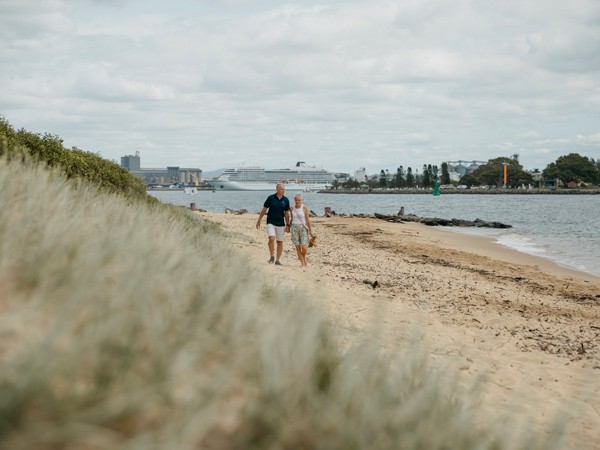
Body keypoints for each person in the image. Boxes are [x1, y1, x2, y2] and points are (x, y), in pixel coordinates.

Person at [256, 184, 290, 266]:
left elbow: (286, 213)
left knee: (280, 242)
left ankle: (277, 260)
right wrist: (259, 220)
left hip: (281, 223)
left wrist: (288, 224)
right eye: (282, 189)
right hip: (270, 221)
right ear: (277, 189)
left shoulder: (286, 200)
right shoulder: (271, 198)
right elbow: (264, 209)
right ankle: (272, 255)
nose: (283, 191)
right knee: (271, 238)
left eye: (284, 189)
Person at [289, 192, 315, 267]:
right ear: (294, 199)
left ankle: (304, 258)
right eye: (296, 200)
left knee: (304, 247)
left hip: (303, 228)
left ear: (301, 200)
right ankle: (303, 263)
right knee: (297, 247)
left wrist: (311, 232)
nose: (297, 202)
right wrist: (288, 227)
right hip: (294, 228)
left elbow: (307, 220)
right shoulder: (292, 208)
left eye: (299, 200)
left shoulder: (304, 207)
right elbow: (292, 219)